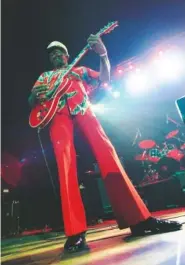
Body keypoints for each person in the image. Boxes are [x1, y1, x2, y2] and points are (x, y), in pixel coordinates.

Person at [28, 35, 182, 253]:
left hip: (83, 108)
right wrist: (33, 96)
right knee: (65, 165)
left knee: (108, 154)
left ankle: (139, 219)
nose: (55, 54)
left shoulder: (79, 71)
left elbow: (104, 79)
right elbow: (32, 100)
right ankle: (74, 232)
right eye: (51, 53)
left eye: (58, 51)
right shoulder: (44, 77)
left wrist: (103, 54)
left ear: (67, 55)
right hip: (57, 116)